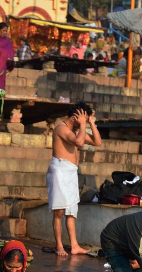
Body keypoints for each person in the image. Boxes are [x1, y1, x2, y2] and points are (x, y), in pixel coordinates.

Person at [47, 102, 101, 257]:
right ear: (76, 116)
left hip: (71, 172)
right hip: (59, 171)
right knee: (59, 211)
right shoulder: (61, 128)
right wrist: (83, 124)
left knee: (71, 211)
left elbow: (97, 142)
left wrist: (90, 123)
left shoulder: (78, 130)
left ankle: (75, 245)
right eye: (84, 117)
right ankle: (59, 246)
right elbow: (78, 142)